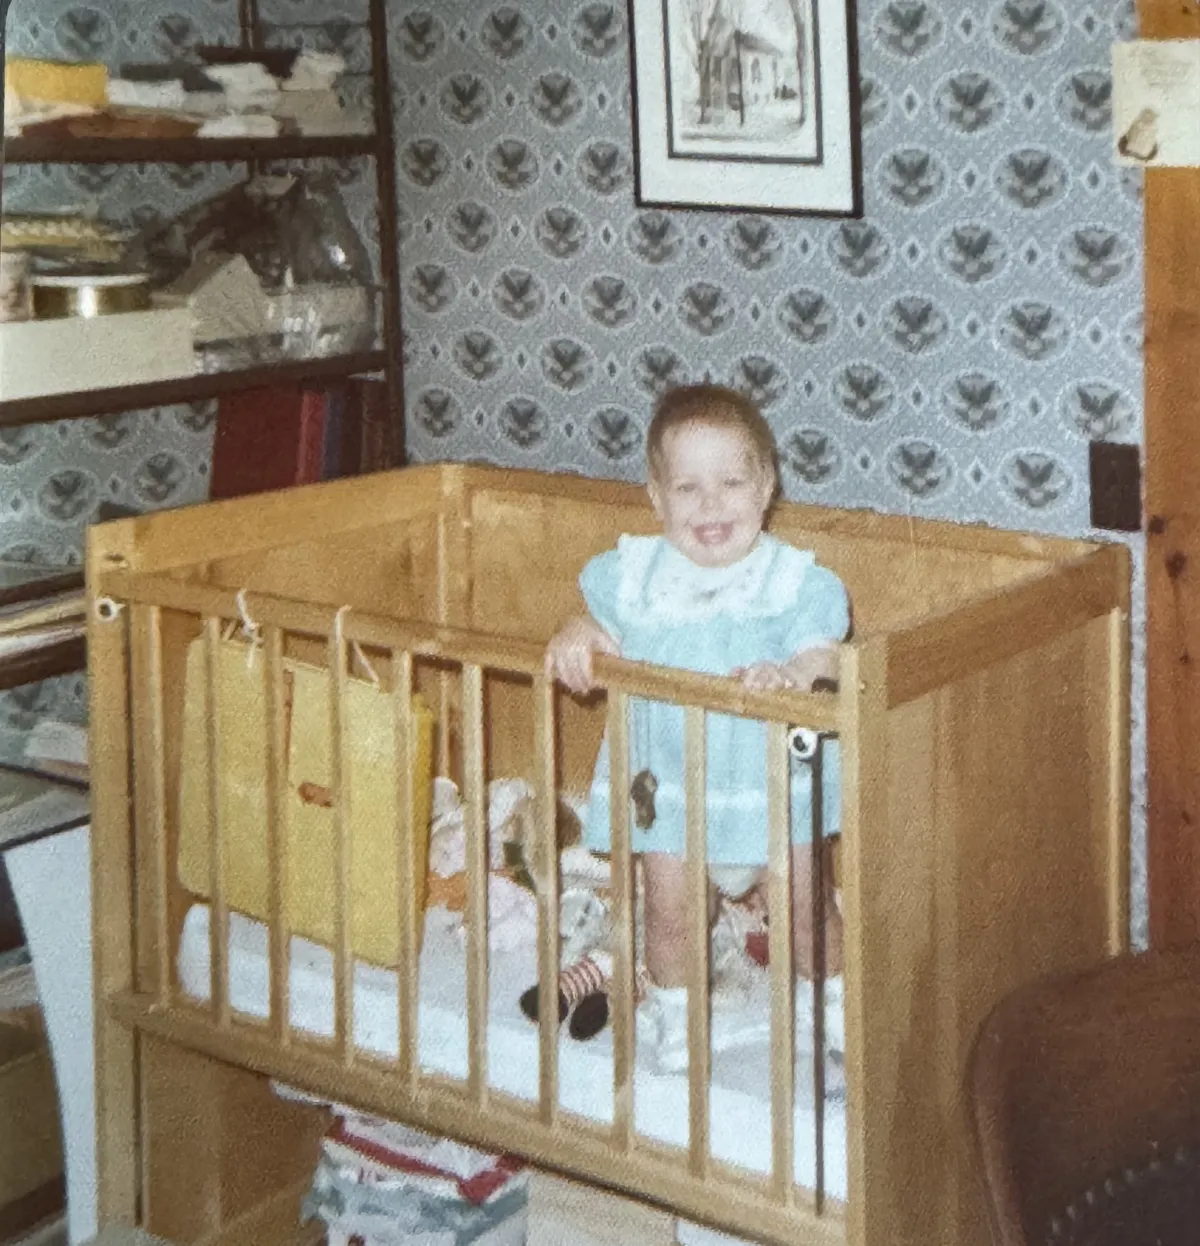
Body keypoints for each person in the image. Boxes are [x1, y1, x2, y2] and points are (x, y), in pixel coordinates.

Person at [545, 384, 850, 1072]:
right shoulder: (634, 575)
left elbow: (821, 652)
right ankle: (680, 1016)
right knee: (669, 916)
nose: (711, 505)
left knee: (806, 911)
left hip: (771, 789)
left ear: (767, 486)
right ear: (655, 496)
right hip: (670, 791)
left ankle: (834, 1002)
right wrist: (577, 633)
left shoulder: (791, 580)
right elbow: (599, 631)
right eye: (687, 488)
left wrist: (796, 676)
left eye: (731, 483)